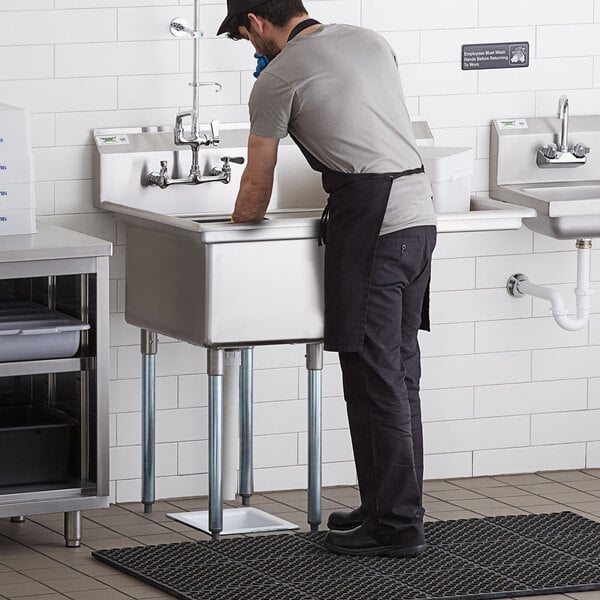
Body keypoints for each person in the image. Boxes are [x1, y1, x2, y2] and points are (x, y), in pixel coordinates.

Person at [218, 0, 437, 558]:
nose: (251, 49)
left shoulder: (278, 76)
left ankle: (395, 527)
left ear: (258, 22)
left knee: (374, 378)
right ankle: (389, 506)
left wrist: (236, 222)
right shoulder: (368, 39)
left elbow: (255, 185)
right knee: (398, 373)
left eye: (246, 37)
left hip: (374, 228)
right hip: (419, 218)